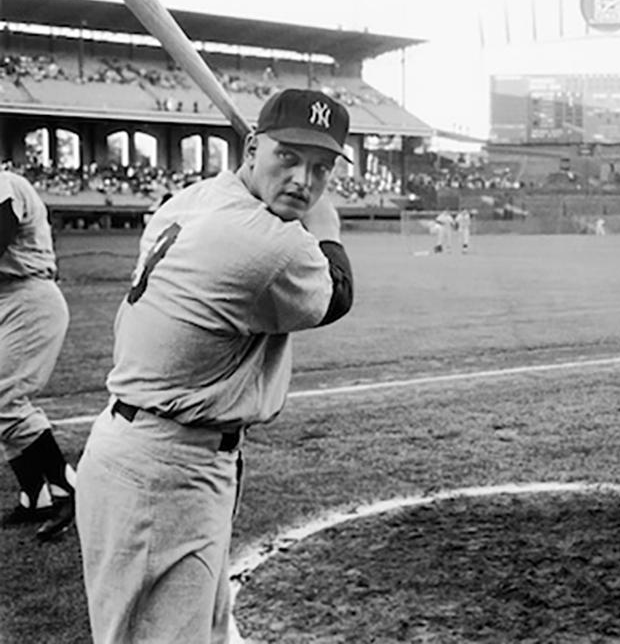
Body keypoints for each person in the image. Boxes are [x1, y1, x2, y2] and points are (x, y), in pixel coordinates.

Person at [75, 88, 355, 642]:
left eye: (320, 167)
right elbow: (337, 294)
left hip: (150, 449)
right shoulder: (266, 246)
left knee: (209, 631)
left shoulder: (191, 200)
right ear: (252, 148)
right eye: (288, 157)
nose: (303, 179)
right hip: (165, 471)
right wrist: (325, 226)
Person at [0, 169, 74, 543]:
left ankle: (67, 486)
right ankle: (36, 497)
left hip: (28, 298)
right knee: (6, 402)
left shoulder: (3, 181)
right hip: (8, 298)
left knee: (2, 398)